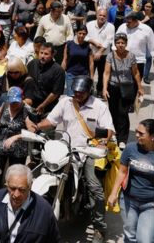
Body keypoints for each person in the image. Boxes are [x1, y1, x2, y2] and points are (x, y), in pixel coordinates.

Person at [35, 76, 114, 242]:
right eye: (75, 92)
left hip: (88, 151)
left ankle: (100, 228)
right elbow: (51, 120)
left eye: (81, 93)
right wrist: (37, 126)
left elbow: (108, 130)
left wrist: (103, 142)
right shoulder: (65, 102)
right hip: (66, 148)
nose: (77, 95)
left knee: (94, 187)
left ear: (89, 91)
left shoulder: (99, 106)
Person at [0, 164, 60, 243]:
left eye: (22, 190)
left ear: (30, 185)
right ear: (6, 184)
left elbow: (54, 240)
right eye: (12, 188)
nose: (16, 195)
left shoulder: (44, 211)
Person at [107, 119, 154, 243]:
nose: (136, 135)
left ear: (153, 137)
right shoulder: (131, 148)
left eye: (141, 133)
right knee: (130, 236)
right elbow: (122, 172)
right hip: (128, 201)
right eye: (137, 131)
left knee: (145, 240)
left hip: (150, 205)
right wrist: (113, 194)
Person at [103, 33, 144, 147]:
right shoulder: (110, 56)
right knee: (113, 112)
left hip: (127, 88)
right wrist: (104, 89)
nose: (120, 45)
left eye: (122, 43)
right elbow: (106, 73)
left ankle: (123, 139)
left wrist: (140, 87)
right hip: (113, 87)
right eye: (118, 43)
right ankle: (114, 133)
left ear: (126, 44)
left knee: (123, 113)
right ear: (115, 44)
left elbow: (136, 72)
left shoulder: (131, 56)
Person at [0, 87, 35, 190]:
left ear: (22, 99)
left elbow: (32, 131)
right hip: (1, 146)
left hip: (18, 151)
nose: (14, 104)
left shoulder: (26, 110)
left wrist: (16, 136)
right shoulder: (5, 104)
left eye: (16, 102)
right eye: (12, 102)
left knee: (14, 175)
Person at [26, 42, 65, 116]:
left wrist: (43, 105)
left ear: (53, 55)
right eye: (41, 53)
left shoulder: (58, 71)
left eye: (46, 54)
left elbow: (55, 93)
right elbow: (25, 79)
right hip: (31, 106)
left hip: (48, 108)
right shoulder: (32, 63)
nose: (42, 56)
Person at [86, 8, 115, 95]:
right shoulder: (89, 24)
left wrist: (100, 52)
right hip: (91, 54)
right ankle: (88, 90)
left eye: (104, 16)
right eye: (100, 15)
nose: (102, 17)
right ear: (97, 15)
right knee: (89, 74)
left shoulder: (110, 26)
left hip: (104, 55)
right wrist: (93, 42)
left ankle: (100, 90)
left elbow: (109, 40)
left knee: (102, 73)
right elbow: (85, 37)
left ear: (106, 17)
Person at [62, 24, 94, 96]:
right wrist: (61, 73)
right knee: (71, 96)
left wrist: (91, 76)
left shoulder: (88, 46)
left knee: (82, 96)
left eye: (84, 34)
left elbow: (91, 62)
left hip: (84, 75)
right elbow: (65, 60)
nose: (82, 35)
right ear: (76, 33)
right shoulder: (69, 44)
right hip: (71, 74)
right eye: (80, 33)